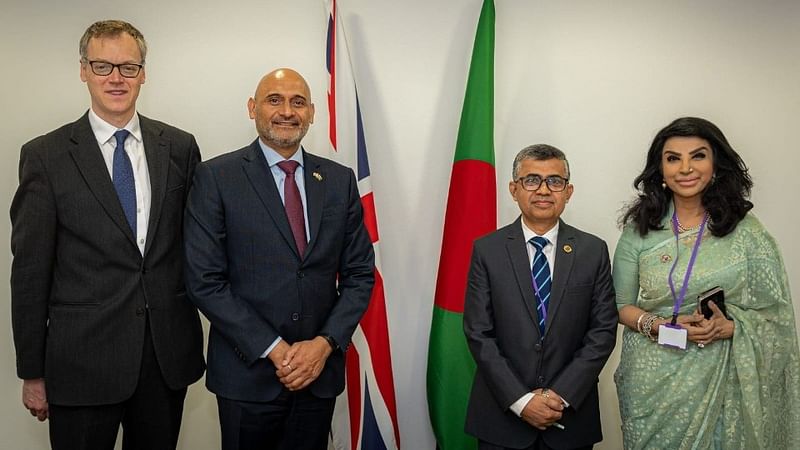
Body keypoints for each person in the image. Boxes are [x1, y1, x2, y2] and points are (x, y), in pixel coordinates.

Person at [9, 20, 205, 450]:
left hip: (164, 359)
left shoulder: (179, 147)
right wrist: (32, 372)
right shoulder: (45, 156)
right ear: (83, 70)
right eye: (102, 66)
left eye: (127, 67)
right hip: (80, 365)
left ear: (143, 73)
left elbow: (193, 249)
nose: (116, 78)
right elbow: (29, 273)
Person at [183, 68, 375, 450]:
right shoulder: (216, 177)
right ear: (252, 108)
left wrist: (322, 345)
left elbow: (359, 274)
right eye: (274, 99)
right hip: (246, 375)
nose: (287, 111)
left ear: (312, 113)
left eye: (298, 102)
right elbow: (204, 280)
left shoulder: (339, 180)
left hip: (317, 375)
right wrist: (276, 349)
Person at [614, 116, 800, 449]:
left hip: (723, 375)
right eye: (673, 158)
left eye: (698, 156)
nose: (685, 168)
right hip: (651, 381)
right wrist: (657, 325)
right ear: (660, 170)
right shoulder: (639, 229)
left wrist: (735, 327)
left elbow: (777, 316)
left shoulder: (746, 231)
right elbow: (620, 304)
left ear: (715, 166)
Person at [463, 144, 618, 450]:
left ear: (568, 191)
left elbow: (602, 332)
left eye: (555, 181)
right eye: (532, 180)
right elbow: (478, 332)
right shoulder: (487, 250)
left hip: (570, 418)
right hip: (502, 418)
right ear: (514, 189)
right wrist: (521, 401)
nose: (544, 190)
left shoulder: (592, 250)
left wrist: (558, 395)